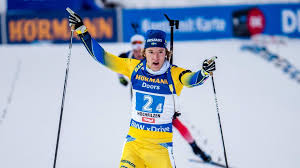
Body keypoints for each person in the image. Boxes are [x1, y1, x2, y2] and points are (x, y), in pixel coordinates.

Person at [68, 9, 216, 168]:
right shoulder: (133, 67)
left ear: (166, 53)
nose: (156, 57)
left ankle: (195, 147)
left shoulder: (174, 73)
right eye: (151, 52)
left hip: (160, 149)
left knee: (180, 126)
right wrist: (82, 32)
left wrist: (204, 72)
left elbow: (191, 79)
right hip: (134, 145)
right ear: (144, 53)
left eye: (160, 52)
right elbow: (103, 57)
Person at [118, 34, 212, 162]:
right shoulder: (126, 56)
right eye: (134, 48)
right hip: (139, 96)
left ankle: (196, 148)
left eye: (139, 48)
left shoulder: (149, 56)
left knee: (176, 124)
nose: (137, 52)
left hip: (160, 96)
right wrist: (121, 79)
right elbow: (119, 66)